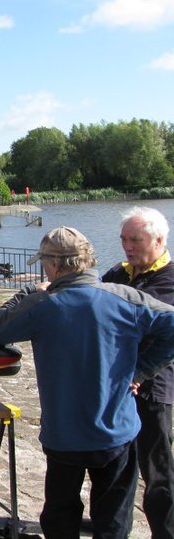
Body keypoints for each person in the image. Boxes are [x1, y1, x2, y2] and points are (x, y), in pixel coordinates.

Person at [0, 226, 174, 539]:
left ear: (55, 265)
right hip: (116, 431)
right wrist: (140, 370)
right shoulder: (126, 299)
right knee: (112, 520)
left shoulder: (46, 306)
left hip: (65, 436)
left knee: (60, 518)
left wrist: (32, 292)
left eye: (44, 264)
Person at [101, 207, 174, 538]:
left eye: (135, 239)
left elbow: (145, 324)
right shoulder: (120, 272)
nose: (128, 246)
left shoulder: (170, 278)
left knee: (158, 471)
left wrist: (139, 373)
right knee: (119, 467)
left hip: (153, 385)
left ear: (158, 240)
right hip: (117, 384)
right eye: (123, 239)